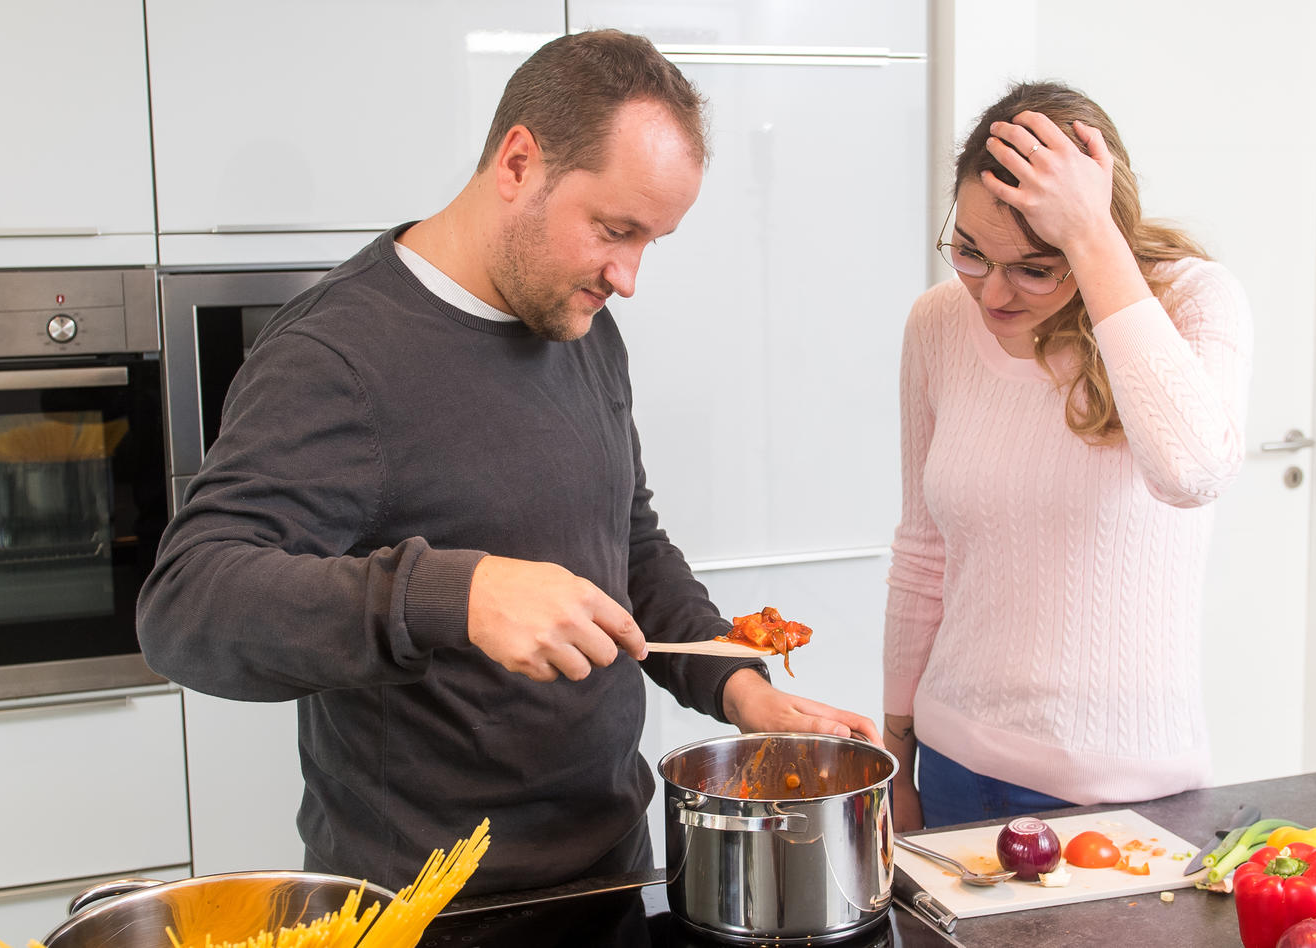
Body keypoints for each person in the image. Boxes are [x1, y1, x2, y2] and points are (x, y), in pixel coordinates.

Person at [136, 29, 878, 896]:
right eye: (614, 229)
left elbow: (628, 546)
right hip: (430, 906)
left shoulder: (582, 324)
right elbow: (184, 606)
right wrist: (462, 593)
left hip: (605, 872)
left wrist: (735, 683)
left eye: (652, 241)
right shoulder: (335, 356)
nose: (629, 276)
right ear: (519, 163)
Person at [882, 81, 1253, 830]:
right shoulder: (938, 322)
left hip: (1132, 792)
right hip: (955, 763)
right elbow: (924, 550)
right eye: (971, 252)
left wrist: (1092, 242)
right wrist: (895, 749)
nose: (992, 295)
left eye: (1035, 267)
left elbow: (1191, 472)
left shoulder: (1192, 302)